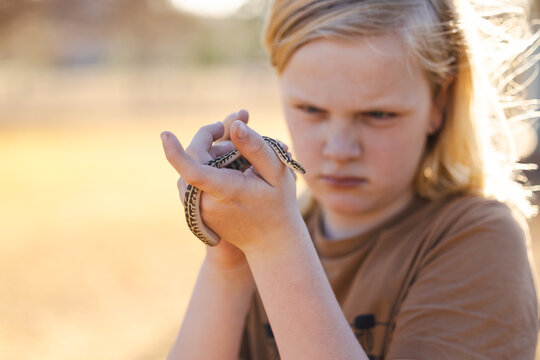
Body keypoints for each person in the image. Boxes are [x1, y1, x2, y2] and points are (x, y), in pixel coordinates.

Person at [160, 0, 539, 359]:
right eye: (311, 109)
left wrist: (274, 245)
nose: (340, 149)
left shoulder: (478, 240)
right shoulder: (261, 237)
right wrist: (229, 258)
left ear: (438, 104)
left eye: (378, 114)